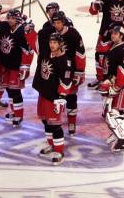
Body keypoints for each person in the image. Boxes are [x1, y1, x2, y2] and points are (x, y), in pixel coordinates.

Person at [0, 9, 34, 127]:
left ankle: (19, 116)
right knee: (9, 90)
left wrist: (25, 67)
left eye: (13, 18)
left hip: (15, 67)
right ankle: (14, 112)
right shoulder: (4, 26)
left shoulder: (22, 32)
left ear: (18, 20)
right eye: (9, 17)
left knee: (15, 91)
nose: (10, 20)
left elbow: (28, 51)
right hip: (5, 65)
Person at [33, 32, 72, 165]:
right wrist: (29, 31)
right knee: (46, 122)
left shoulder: (65, 61)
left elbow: (66, 81)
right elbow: (36, 44)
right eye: (51, 42)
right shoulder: (45, 53)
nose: (52, 45)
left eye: (55, 43)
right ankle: (52, 145)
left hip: (54, 98)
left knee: (55, 126)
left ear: (60, 44)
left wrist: (61, 97)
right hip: (43, 93)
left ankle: (59, 151)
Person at [98, 25, 124, 152]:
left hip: (123, 87)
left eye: (116, 33)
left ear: (121, 35)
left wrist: (117, 86)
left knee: (115, 113)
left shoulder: (123, 50)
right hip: (117, 85)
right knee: (111, 113)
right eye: (112, 33)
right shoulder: (113, 46)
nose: (113, 35)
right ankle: (118, 134)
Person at [48, 12, 86, 135]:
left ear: (63, 22)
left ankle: (71, 122)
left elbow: (80, 53)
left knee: (71, 97)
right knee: (55, 98)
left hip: (70, 71)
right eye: (55, 23)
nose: (57, 25)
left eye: (59, 22)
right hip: (54, 71)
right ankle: (56, 121)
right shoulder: (51, 34)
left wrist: (79, 71)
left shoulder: (73, 34)